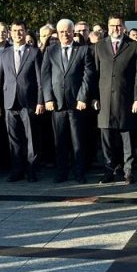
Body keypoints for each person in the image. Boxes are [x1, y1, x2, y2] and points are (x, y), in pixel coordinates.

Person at [41, 19, 94, 184]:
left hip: (76, 103)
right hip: (57, 104)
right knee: (60, 141)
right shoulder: (50, 51)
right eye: (61, 32)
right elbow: (45, 76)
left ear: (73, 32)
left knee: (77, 141)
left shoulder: (83, 50)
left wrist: (82, 97)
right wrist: (48, 98)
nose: (65, 34)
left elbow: (88, 75)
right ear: (57, 33)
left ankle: (79, 172)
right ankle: (61, 172)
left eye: (68, 31)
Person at [94, 16, 137, 184]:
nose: (115, 29)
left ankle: (128, 172)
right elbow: (94, 73)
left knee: (127, 137)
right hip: (104, 100)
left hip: (125, 99)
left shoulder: (134, 46)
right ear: (107, 27)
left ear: (124, 27)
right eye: (112, 25)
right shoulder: (99, 46)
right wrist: (94, 97)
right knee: (106, 139)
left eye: (119, 25)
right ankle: (108, 171)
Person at [0, 22, 45, 183]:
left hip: (28, 101)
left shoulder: (34, 52)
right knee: (14, 138)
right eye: (15, 31)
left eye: (21, 31)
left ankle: (31, 169)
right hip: (9, 102)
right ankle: (17, 170)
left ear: (25, 32)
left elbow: (40, 80)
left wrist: (40, 101)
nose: (18, 34)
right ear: (10, 33)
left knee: (31, 138)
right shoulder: (4, 53)